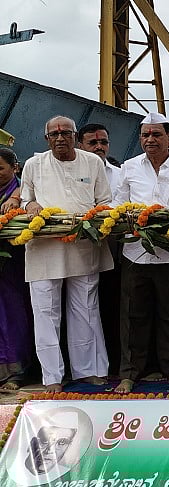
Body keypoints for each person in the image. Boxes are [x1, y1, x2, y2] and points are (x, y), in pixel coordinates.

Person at [21, 116, 113, 392]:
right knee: (45, 312)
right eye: (54, 134)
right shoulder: (33, 165)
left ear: (74, 136)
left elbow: (105, 201)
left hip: (83, 244)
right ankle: (52, 377)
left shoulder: (92, 162)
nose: (60, 138)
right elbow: (26, 198)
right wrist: (32, 206)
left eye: (65, 133)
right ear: (46, 139)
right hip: (45, 248)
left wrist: (98, 220)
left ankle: (89, 371)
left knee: (85, 309)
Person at [113, 113, 169, 393]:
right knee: (132, 314)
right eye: (145, 135)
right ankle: (129, 372)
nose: (150, 140)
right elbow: (118, 206)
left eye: (156, 135)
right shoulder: (128, 167)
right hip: (135, 252)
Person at [76, 123, 124, 377]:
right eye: (92, 143)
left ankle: (115, 366)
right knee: (83, 311)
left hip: (114, 252)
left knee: (113, 309)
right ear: (80, 145)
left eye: (103, 142)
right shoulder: (71, 172)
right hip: (78, 252)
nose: (99, 147)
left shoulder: (120, 173)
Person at [0, 148, 32, 390]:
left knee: (13, 315)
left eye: (0, 168)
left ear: (15, 168)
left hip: (13, 264)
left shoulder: (22, 193)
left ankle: (16, 372)